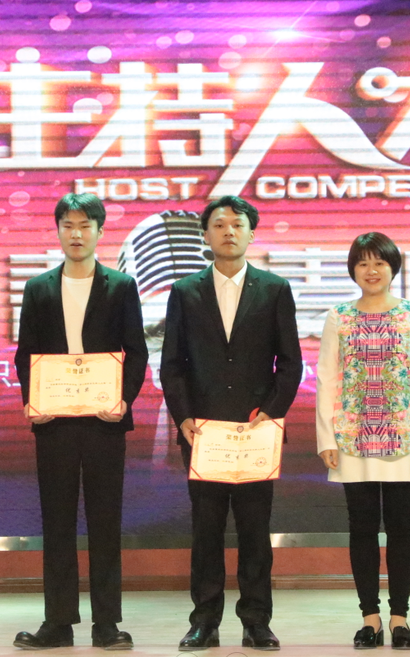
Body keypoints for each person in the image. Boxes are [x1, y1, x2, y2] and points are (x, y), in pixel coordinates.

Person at [160, 196, 302, 652]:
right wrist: (183, 416)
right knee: (206, 531)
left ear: (251, 233)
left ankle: (256, 621)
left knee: (255, 531)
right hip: (204, 434)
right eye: (218, 225)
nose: (228, 232)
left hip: (256, 432)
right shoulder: (185, 291)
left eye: (237, 224)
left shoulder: (274, 288)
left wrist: (272, 412)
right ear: (205, 235)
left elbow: (291, 362)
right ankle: (204, 622)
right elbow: (172, 364)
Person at [12, 193, 148, 651]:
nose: (76, 234)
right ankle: (58, 623)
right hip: (54, 423)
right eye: (68, 225)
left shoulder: (121, 286)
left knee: (105, 523)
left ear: (100, 231)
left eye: (85, 225)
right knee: (57, 524)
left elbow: (136, 351)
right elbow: (26, 353)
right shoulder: (38, 288)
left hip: (105, 422)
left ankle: (106, 623)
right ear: (57, 231)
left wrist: (124, 400)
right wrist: (33, 400)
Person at [314, 232, 410, 651]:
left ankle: (400, 618)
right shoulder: (338, 317)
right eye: (363, 263)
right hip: (352, 436)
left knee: (402, 527)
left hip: (405, 435)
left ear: (393, 268)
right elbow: (327, 378)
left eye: (380, 263)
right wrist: (326, 437)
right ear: (353, 269)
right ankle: (370, 618)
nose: (371, 271)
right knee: (362, 528)